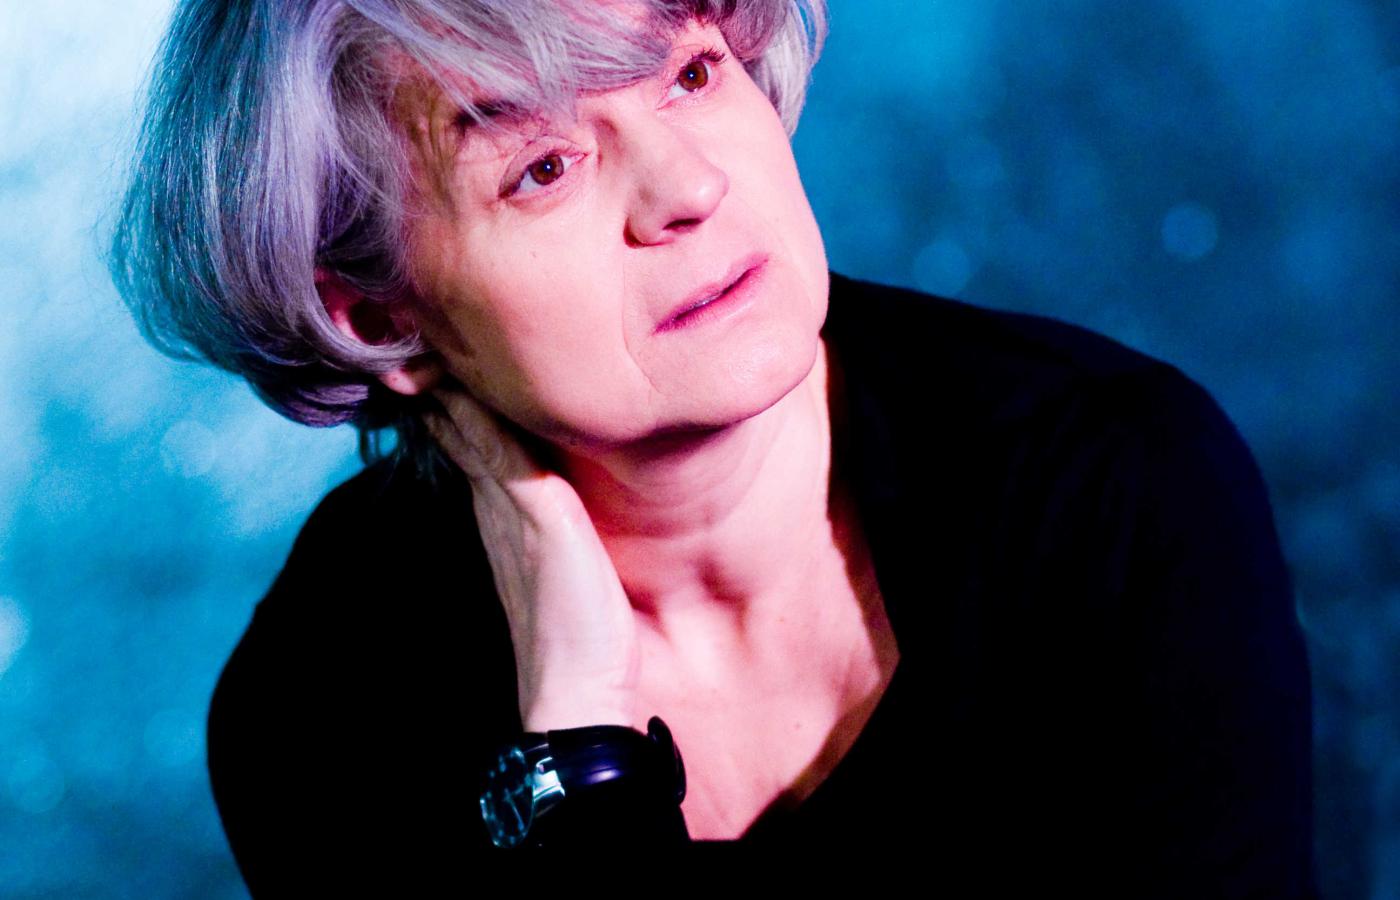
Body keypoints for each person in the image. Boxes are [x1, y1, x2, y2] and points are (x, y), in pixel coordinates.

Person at [109, 0, 1319, 893]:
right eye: (542, 168)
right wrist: (576, 740)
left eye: (690, 72)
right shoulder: (322, 710)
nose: (685, 186)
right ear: (381, 320)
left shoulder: (1112, 484)